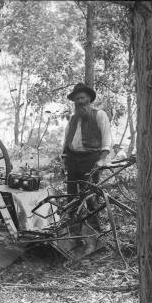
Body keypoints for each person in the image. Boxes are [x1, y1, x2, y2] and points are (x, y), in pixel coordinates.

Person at [61, 82, 112, 255]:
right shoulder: (72, 119)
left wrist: (102, 158)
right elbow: (66, 141)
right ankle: (73, 236)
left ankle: (95, 238)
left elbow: (106, 137)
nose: (79, 102)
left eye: (82, 98)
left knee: (90, 197)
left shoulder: (100, 115)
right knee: (71, 198)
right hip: (73, 161)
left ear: (89, 99)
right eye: (76, 99)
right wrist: (64, 159)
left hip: (91, 159)